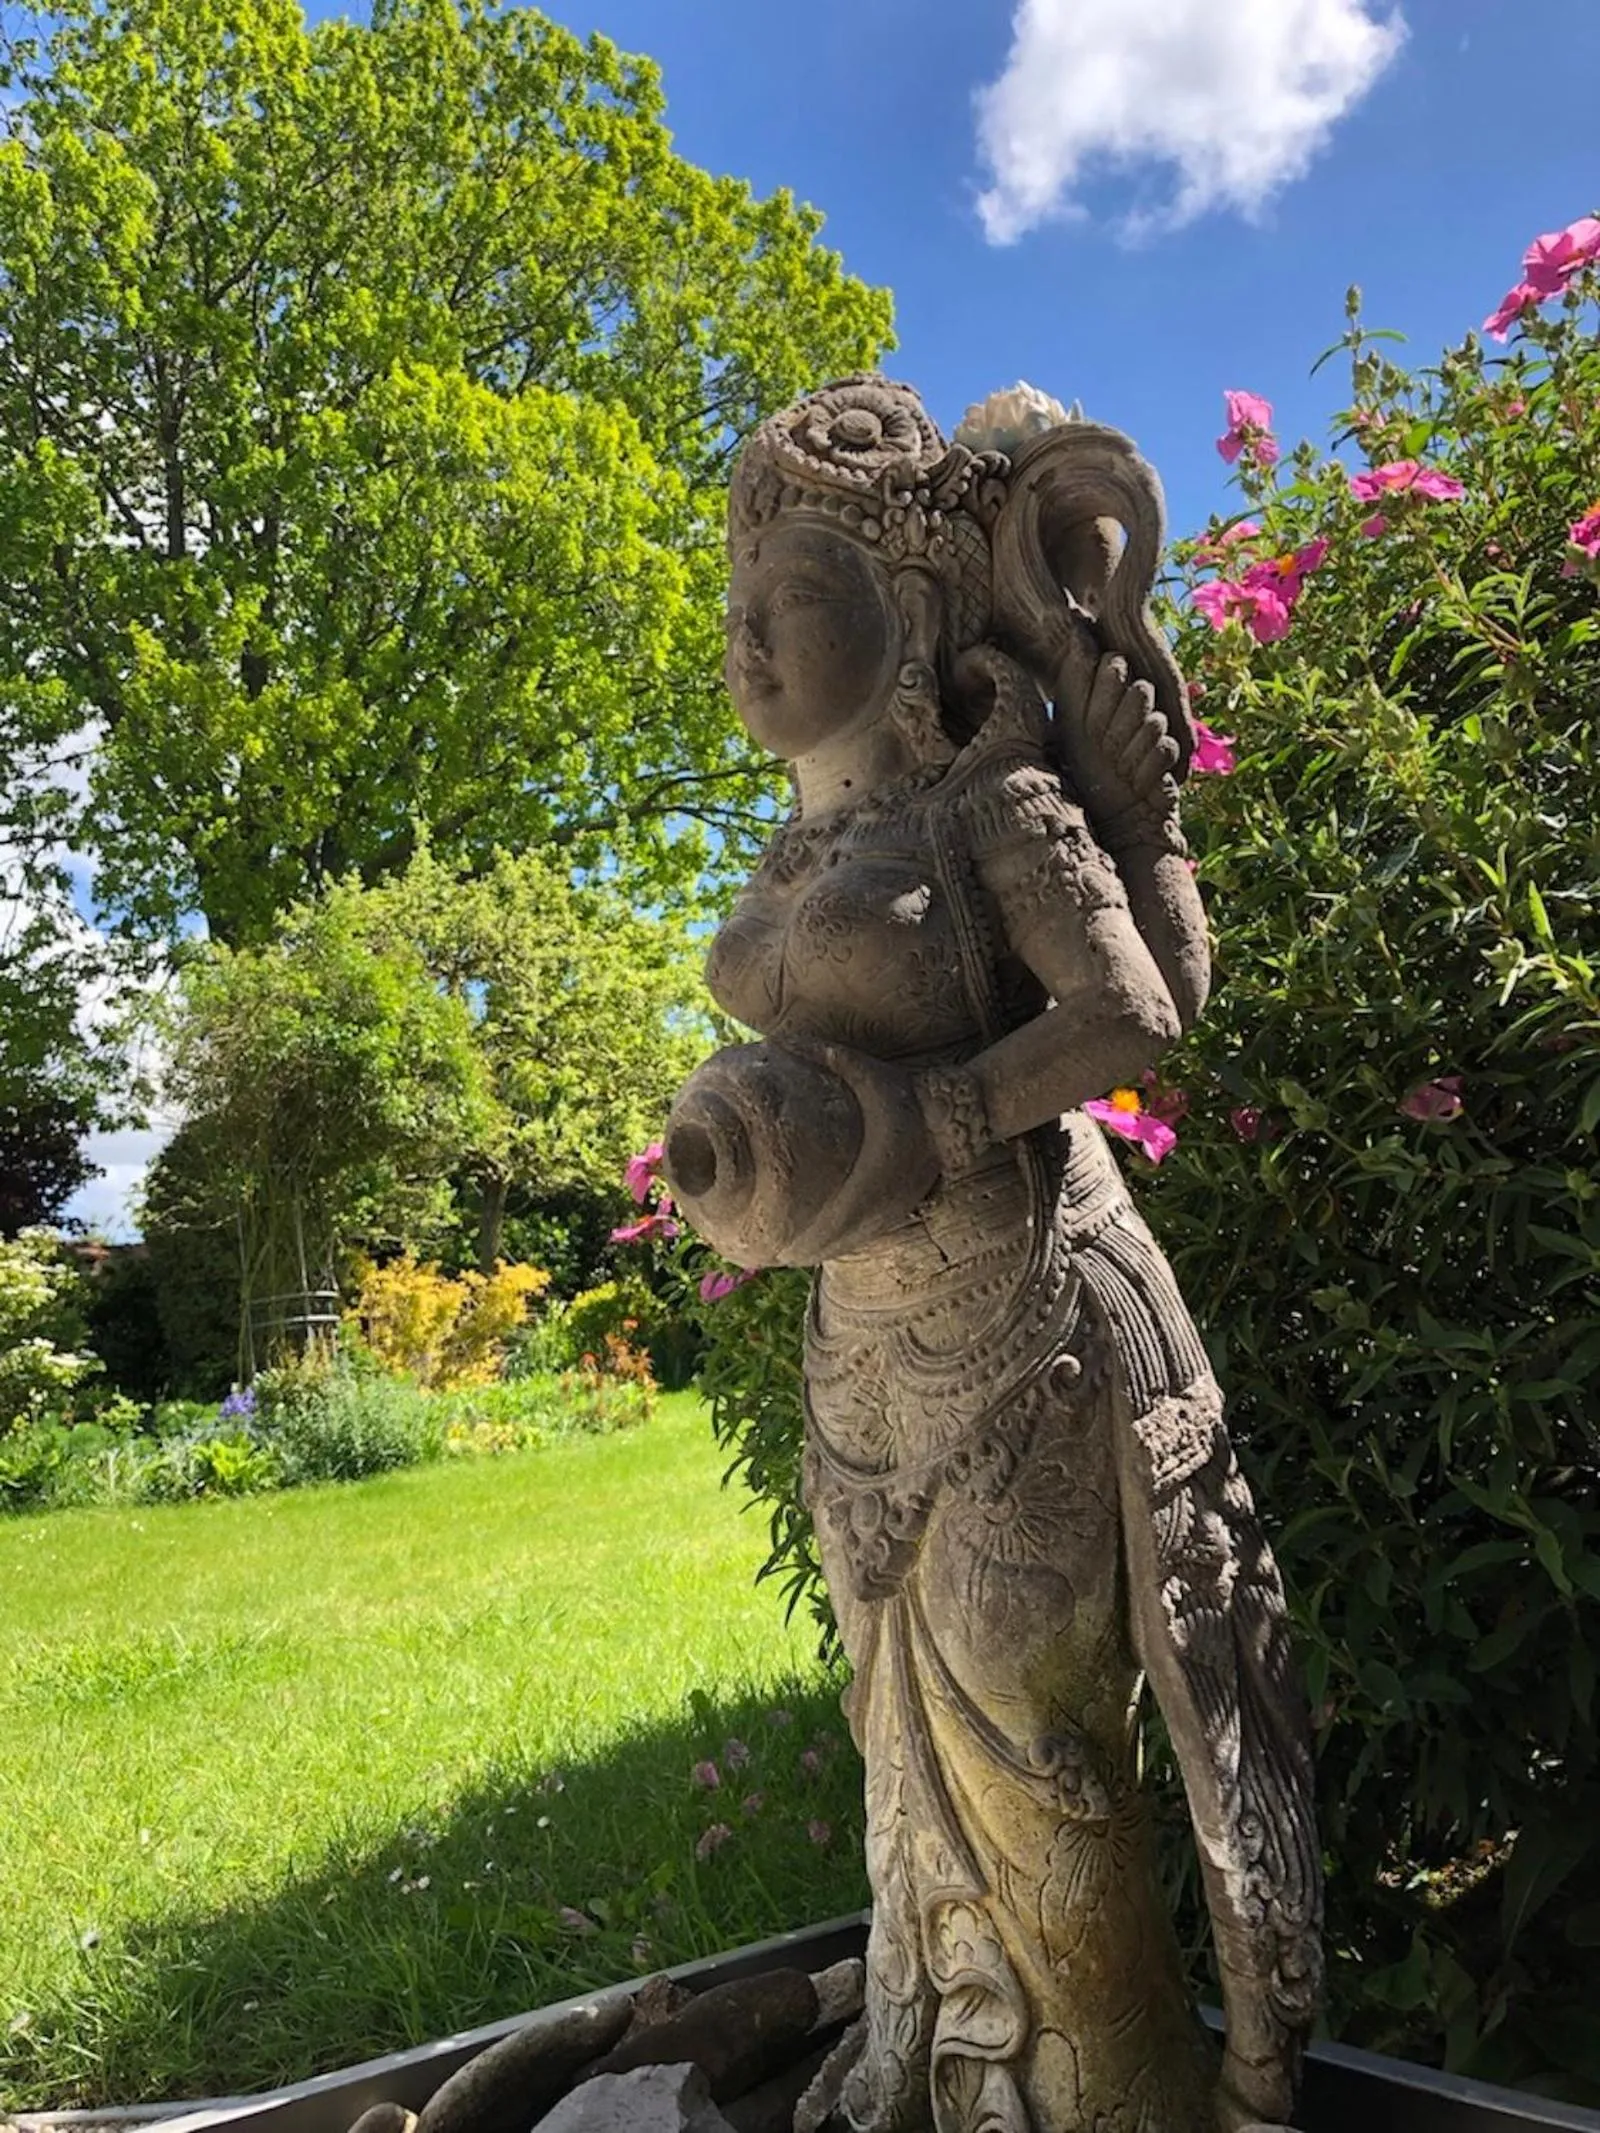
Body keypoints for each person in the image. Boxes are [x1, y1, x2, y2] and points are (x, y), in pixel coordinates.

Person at [665, 376, 1320, 2133]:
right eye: (732, 606)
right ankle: (945, 2076)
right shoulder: (799, 845)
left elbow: (1136, 1007)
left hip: (1025, 1324)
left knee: (1036, 1764)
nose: (743, 641)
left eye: (790, 602)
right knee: (901, 1759)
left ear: (911, 616)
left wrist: (948, 1115)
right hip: (866, 1346)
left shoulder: (989, 816)